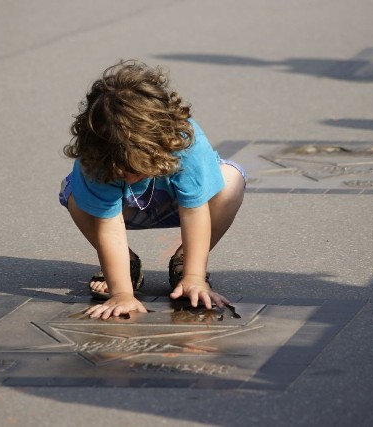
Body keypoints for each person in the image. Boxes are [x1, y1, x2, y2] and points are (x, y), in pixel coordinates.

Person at [59, 60, 245, 320]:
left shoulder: (183, 141)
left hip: (177, 204)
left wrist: (194, 277)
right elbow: (108, 226)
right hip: (125, 209)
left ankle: (184, 264)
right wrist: (121, 294)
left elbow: (194, 211)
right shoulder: (97, 155)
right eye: (122, 171)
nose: (131, 177)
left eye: (138, 169)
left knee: (232, 179)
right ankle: (126, 267)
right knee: (76, 196)